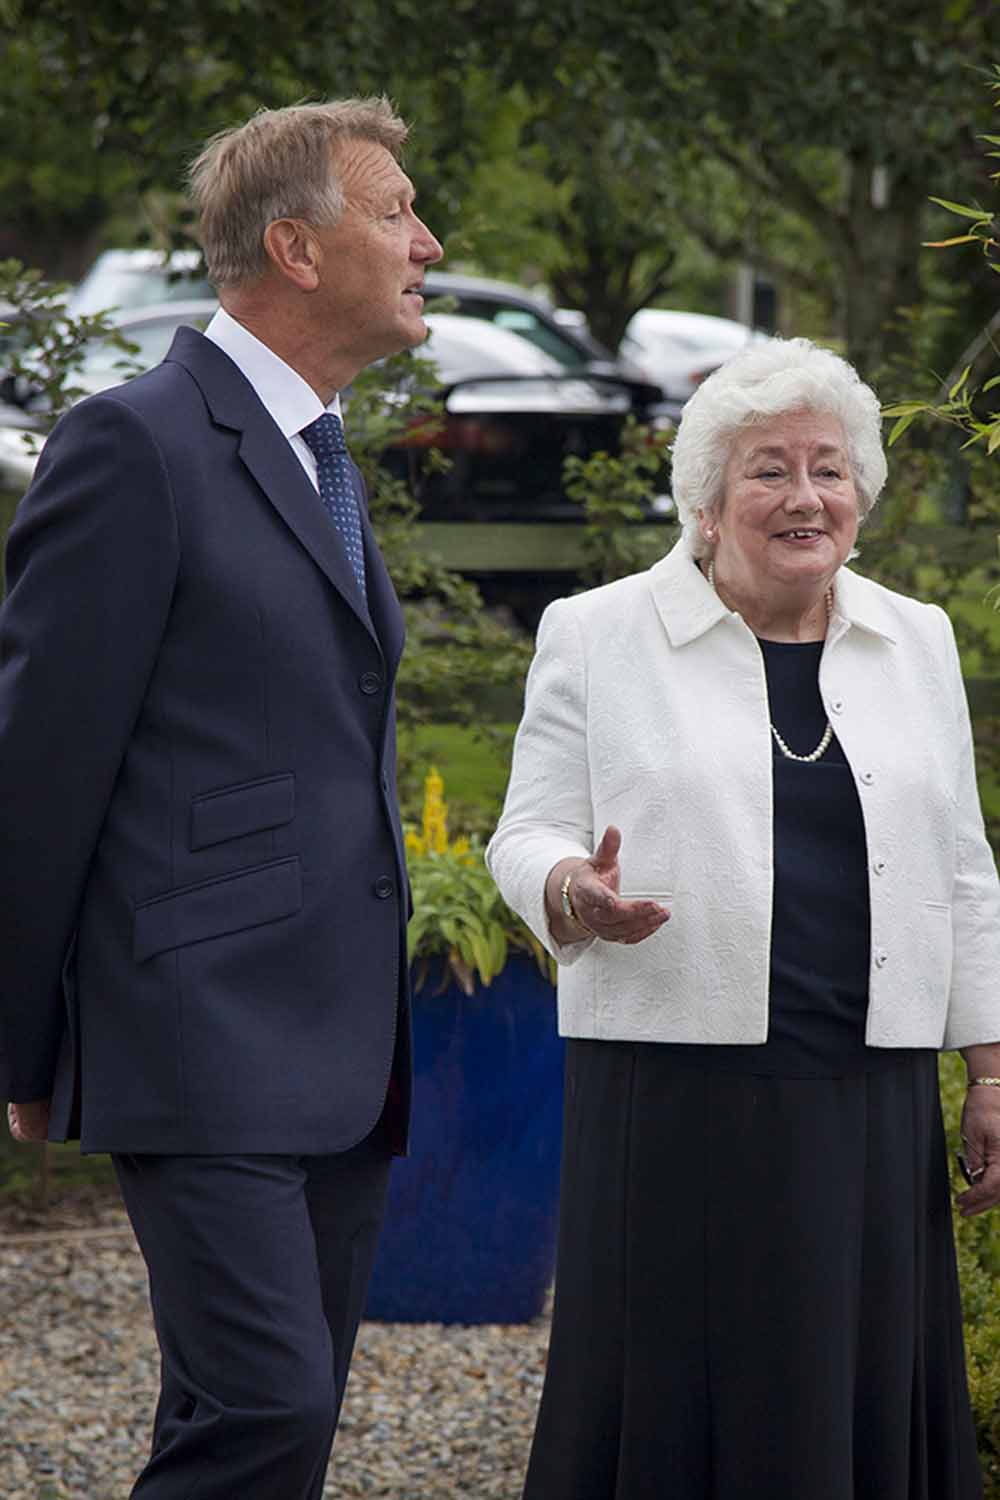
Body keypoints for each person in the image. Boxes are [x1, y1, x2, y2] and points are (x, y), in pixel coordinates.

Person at [0, 98, 442, 1498]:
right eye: (396, 214)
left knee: (264, 1429)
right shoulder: (135, 446)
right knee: (264, 1412)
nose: (429, 242)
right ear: (297, 249)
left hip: (344, 1048)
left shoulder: (325, 453)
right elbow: (37, 761)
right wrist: (24, 1042)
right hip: (197, 1030)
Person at [486, 337, 1000, 1500]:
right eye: (768, 469)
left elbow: (963, 866)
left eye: (828, 468)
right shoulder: (598, 633)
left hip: (866, 1091)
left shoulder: (913, 638)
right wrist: (573, 890)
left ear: (860, 498)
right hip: (673, 1092)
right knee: (677, 1402)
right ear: (706, 507)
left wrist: (988, 1067)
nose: (804, 495)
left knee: (852, 1397)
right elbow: (525, 832)